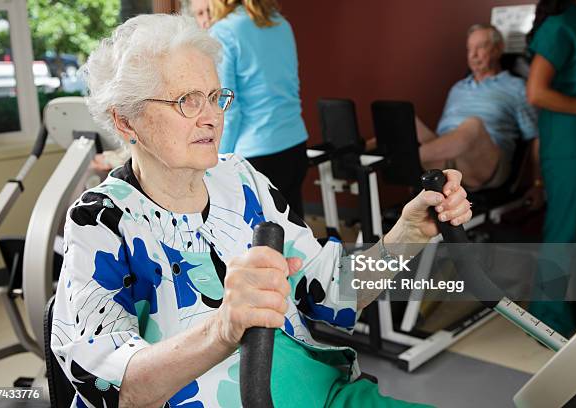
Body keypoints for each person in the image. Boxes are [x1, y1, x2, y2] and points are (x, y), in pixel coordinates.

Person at [51, 14, 472, 408]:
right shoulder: (101, 221)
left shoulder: (241, 180)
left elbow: (333, 291)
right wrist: (222, 329)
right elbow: (110, 389)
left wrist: (409, 234)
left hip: (324, 395)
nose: (212, 117)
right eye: (187, 101)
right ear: (126, 121)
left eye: (216, 97)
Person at [411, 25, 542, 194]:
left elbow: (536, 137)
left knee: (473, 125)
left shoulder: (517, 87)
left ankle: (402, 159)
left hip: (483, 164)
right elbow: (441, 137)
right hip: (443, 158)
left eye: (480, 47)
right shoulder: (458, 88)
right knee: (405, 121)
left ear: (497, 49)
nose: (473, 55)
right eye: (469, 49)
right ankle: (368, 156)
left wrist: (538, 184)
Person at [209, 0, 310, 218]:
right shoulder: (281, 24)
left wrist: (215, 160)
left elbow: (229, 107)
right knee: (296, 237)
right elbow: (292, 85)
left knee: (259, 243)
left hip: (256, 156)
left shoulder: (224, 31)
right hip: (295, 144)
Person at [526, 0, 576, 336]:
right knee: (564, 233)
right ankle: (546, 321)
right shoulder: (562, 24)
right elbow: (536, 92)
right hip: (568, 147)